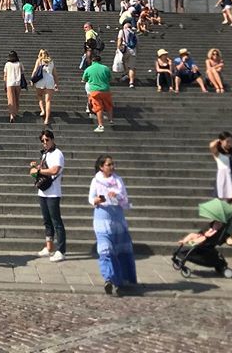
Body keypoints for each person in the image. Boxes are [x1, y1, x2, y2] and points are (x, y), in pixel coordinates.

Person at [88, 155, 137, 295]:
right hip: (102, 218)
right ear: (101, 167)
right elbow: (90, 198)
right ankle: (109, 278)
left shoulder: (118, 180)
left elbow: (125, 200)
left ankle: (121, 279)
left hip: (117, 219)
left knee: (120, 250)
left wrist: (117, 196)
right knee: (105, 249)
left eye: (112, 164)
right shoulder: (96, 180)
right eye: (109, 164)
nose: (112, 167)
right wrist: (96, 200)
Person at [30, 129, 66, 262]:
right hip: (43, 191)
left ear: (52, 140)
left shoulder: (58, 154)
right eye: (43, 141)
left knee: (56, 221)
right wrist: (36, 167)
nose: (45, 143)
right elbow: (44, 169)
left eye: (47, 140)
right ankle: (49, 247)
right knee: (47, 221)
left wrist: (39, 170)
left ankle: (61, 250)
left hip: (53, 193)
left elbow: (55, 170)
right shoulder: (45, 154)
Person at [209, 132, 232, 245]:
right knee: (225, 209)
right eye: (227, 141)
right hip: (223, 181)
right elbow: (211, 146)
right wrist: (218, 141)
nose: (229, 143)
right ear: (221, 141)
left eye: (230, 141)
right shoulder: (217, 152)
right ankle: (227, 235)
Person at [82, 54, 113, 133]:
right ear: (100, 61)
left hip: (95, 91)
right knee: (108, 105)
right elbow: (110, 78)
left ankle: (100, 125)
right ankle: (111, 120)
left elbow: (84, 79)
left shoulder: (88, 69)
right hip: (106, 90)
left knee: (98, 108)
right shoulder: (105, 68)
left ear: (92, 61)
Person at [32, 49, 60, 127]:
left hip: (40, 80)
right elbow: (55, 74)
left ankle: (42, 110)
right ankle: (47, 119)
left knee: (39, 96)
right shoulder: (51, 61)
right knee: (48, 101)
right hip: (50, 80)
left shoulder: (39, 60)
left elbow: (35, 71)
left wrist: (32, 80)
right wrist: (56, 84)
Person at [3, 50, 24, 124]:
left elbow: (5, 75)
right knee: (17, 98)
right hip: (18, 83)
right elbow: (22, 73)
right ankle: (15, 112)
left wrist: (4, 84)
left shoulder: (7, 64)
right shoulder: (19, 64)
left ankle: (12, 114)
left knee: (11, 100)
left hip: (10, 83)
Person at [116, 20, 137, 88]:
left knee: (123, 62)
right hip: (133, 50)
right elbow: (137, 43)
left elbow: (119, 39)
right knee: (132, 67)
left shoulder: (122, 31)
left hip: (125, 49)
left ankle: (126, 74)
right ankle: (131, 82)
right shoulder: (134, 33)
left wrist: (118, 48)